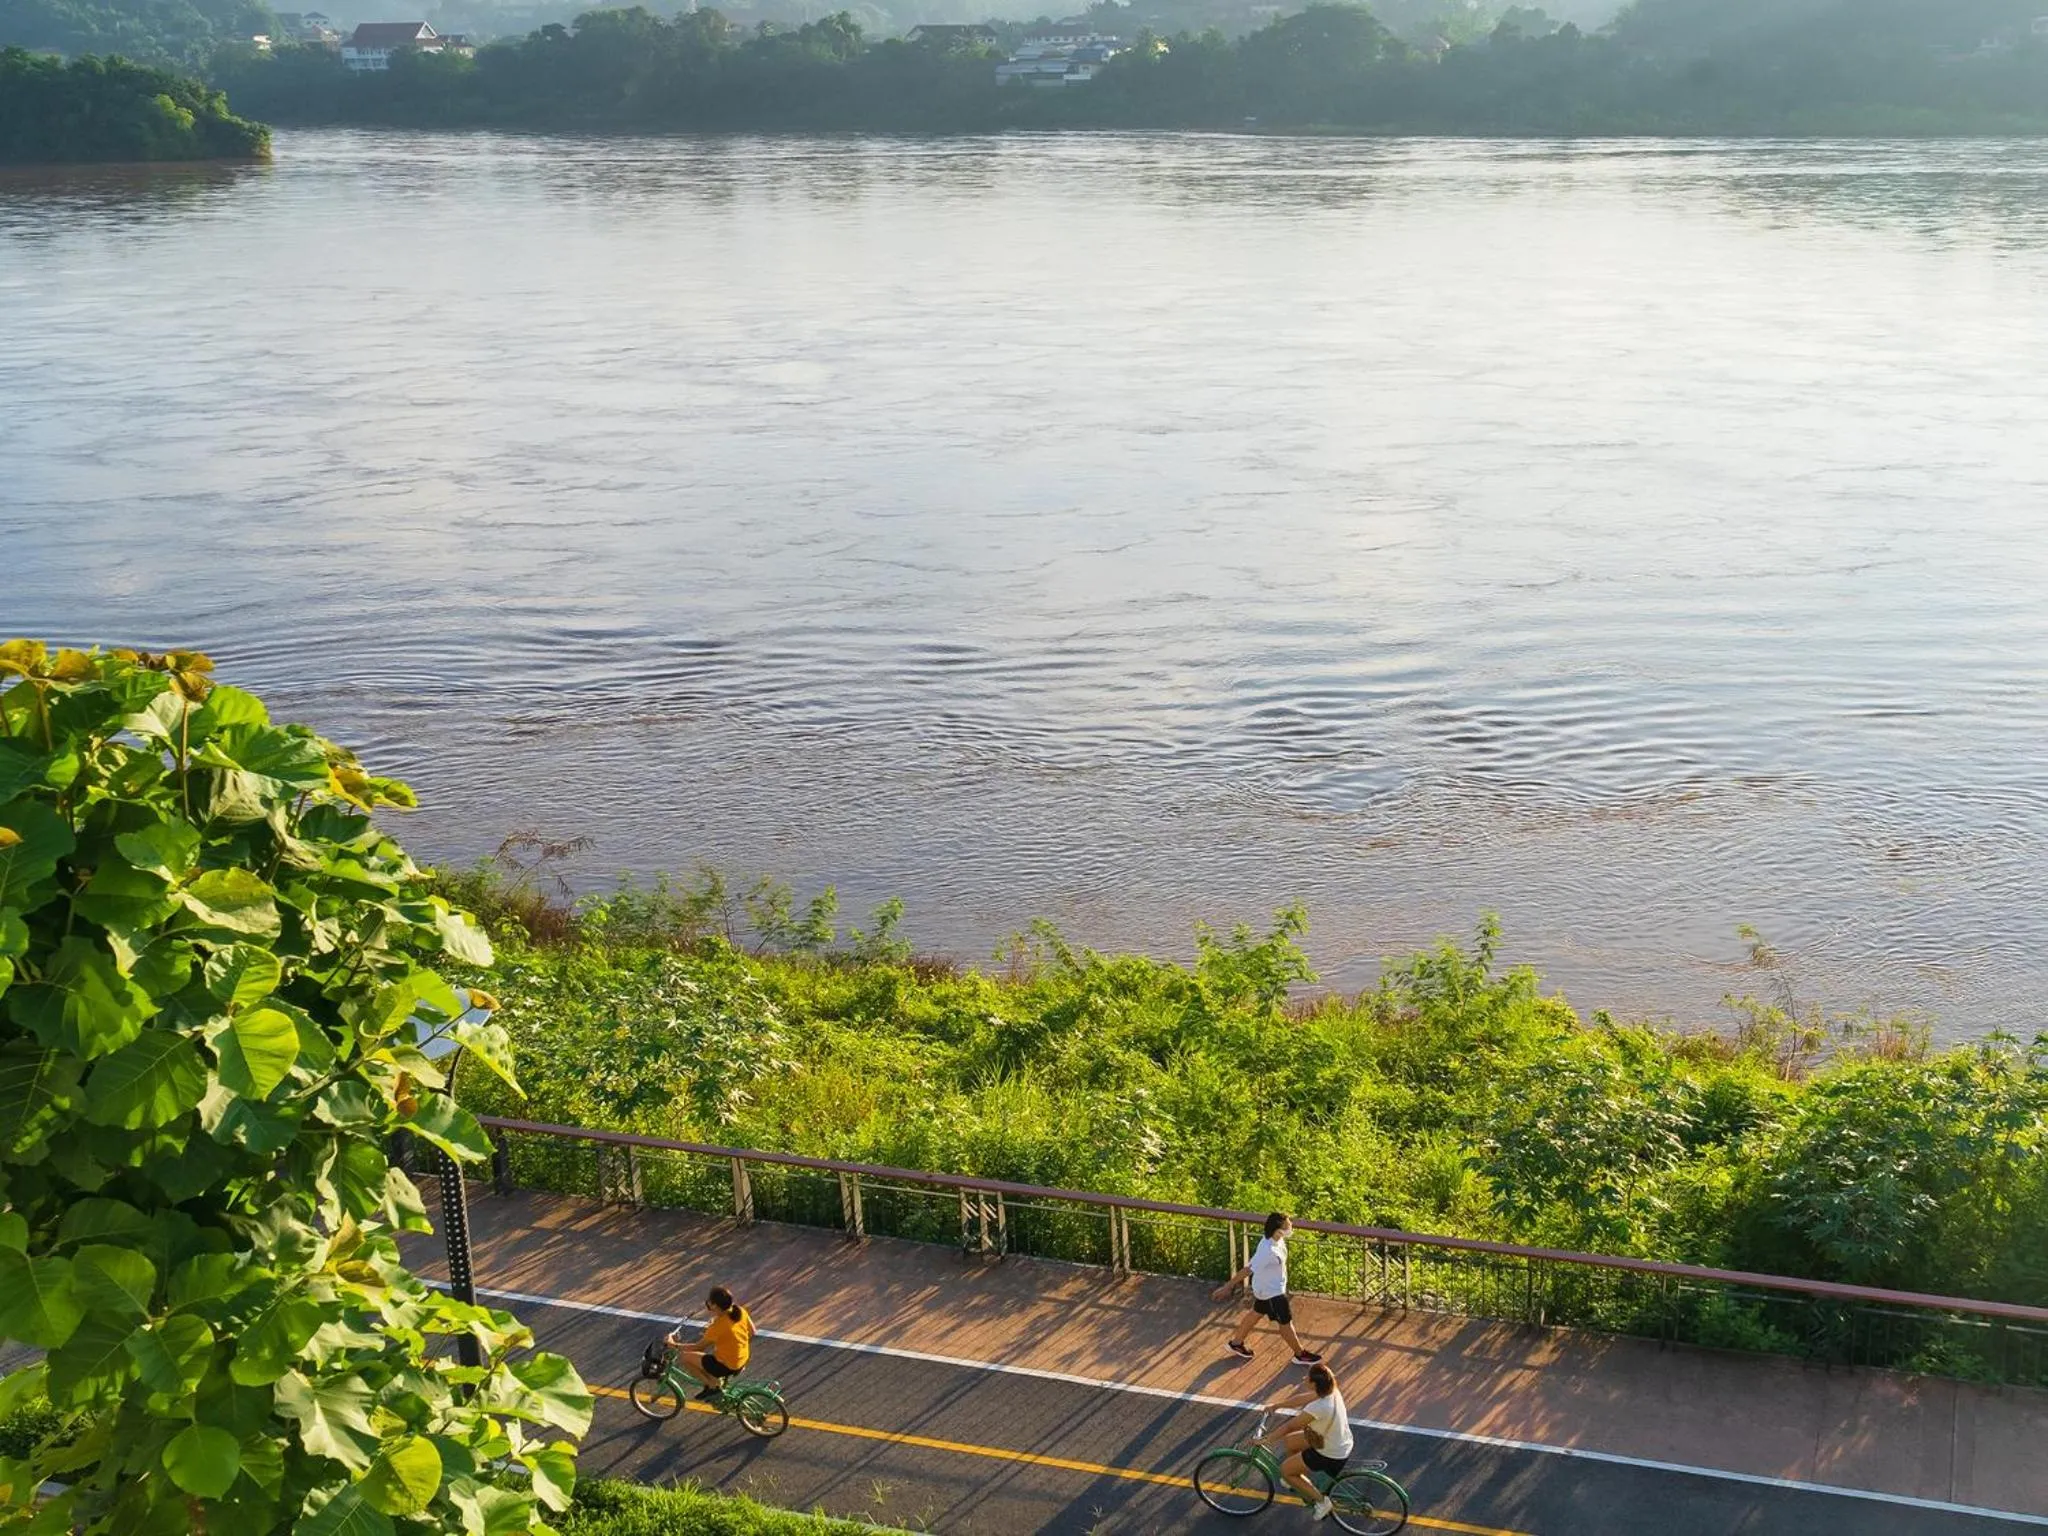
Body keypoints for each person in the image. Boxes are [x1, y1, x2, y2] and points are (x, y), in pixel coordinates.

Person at [1215, 1211, 1321, 1365]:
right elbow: (1248, 1269)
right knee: (1285, 1323)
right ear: (1278, 1229)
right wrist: (1227, 1287)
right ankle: (1300, 1354)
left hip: (1266, 1289)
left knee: (1256, 1313)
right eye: (1288, 1224)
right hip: (1273, 1292)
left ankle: (1236, 1344)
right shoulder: (1267, 1250)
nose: (1291, 1226)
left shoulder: (1277, 1240)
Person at [1257, 1362, 1354, 1523]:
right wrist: (1277, 1405)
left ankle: (1322, 1502)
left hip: (1329, 1453)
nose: (1304, 1378)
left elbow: (1290, 1426)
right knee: (1290, 1442)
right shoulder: (1331, 1392)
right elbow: (1301, 1399)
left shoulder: (1319, 1407)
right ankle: (1299, 1478)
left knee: (1285, 1471)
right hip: (1338, 1441)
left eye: (1307, 1378)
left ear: (1314, 1383)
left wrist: (1264, 1440)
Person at [665, 1285, 755, 1400]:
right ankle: (715, 1382)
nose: (708, 1302)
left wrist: (674, 1345)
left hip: (727, 1365)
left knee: (685, 1358)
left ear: (715, 1306)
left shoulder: (717, 1327)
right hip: (742, 1357)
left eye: (710, 1301)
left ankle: (713, 1387)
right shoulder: (739, 1311)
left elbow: (698, 1347)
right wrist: (733, 1341)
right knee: (704, 1360)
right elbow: (752, 1331)